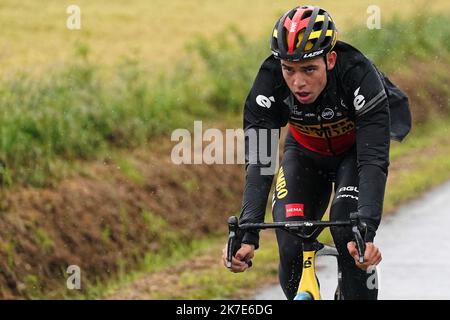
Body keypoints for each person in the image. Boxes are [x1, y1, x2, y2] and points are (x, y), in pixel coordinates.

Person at [222, 5, 411, 300]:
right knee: (290, 237)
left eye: (309, 69)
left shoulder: (358, 75)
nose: (298, 82)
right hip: (304, 155)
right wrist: (247, 236)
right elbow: (260, 161)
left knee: (349, 232)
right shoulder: (268, 82)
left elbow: (373, 161)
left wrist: (367, 232)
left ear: (331, 59)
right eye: (289, 69)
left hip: (354, 156)